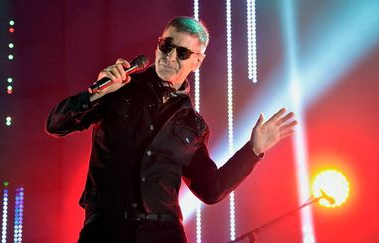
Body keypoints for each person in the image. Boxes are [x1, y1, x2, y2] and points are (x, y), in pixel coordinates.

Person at [46, 16, 297, 243]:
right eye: (166, 46)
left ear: (197, 61)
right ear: (158, 45)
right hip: (106, 227)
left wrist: (254, 150)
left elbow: (211, 189)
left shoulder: (193, 125)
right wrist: (95, 94)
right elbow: (56, 125)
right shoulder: (120, 88)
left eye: (182, 52)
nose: (170, 57)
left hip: (163, 233)